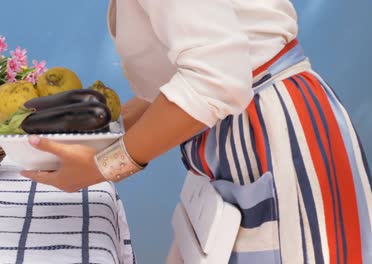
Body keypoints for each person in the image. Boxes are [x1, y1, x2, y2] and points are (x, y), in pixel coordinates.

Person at [20, 0, 372, 263]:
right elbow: (194, 73)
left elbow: (214, 77)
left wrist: (103, 166)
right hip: (247, 126)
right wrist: (100, 134)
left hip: (275, 137)